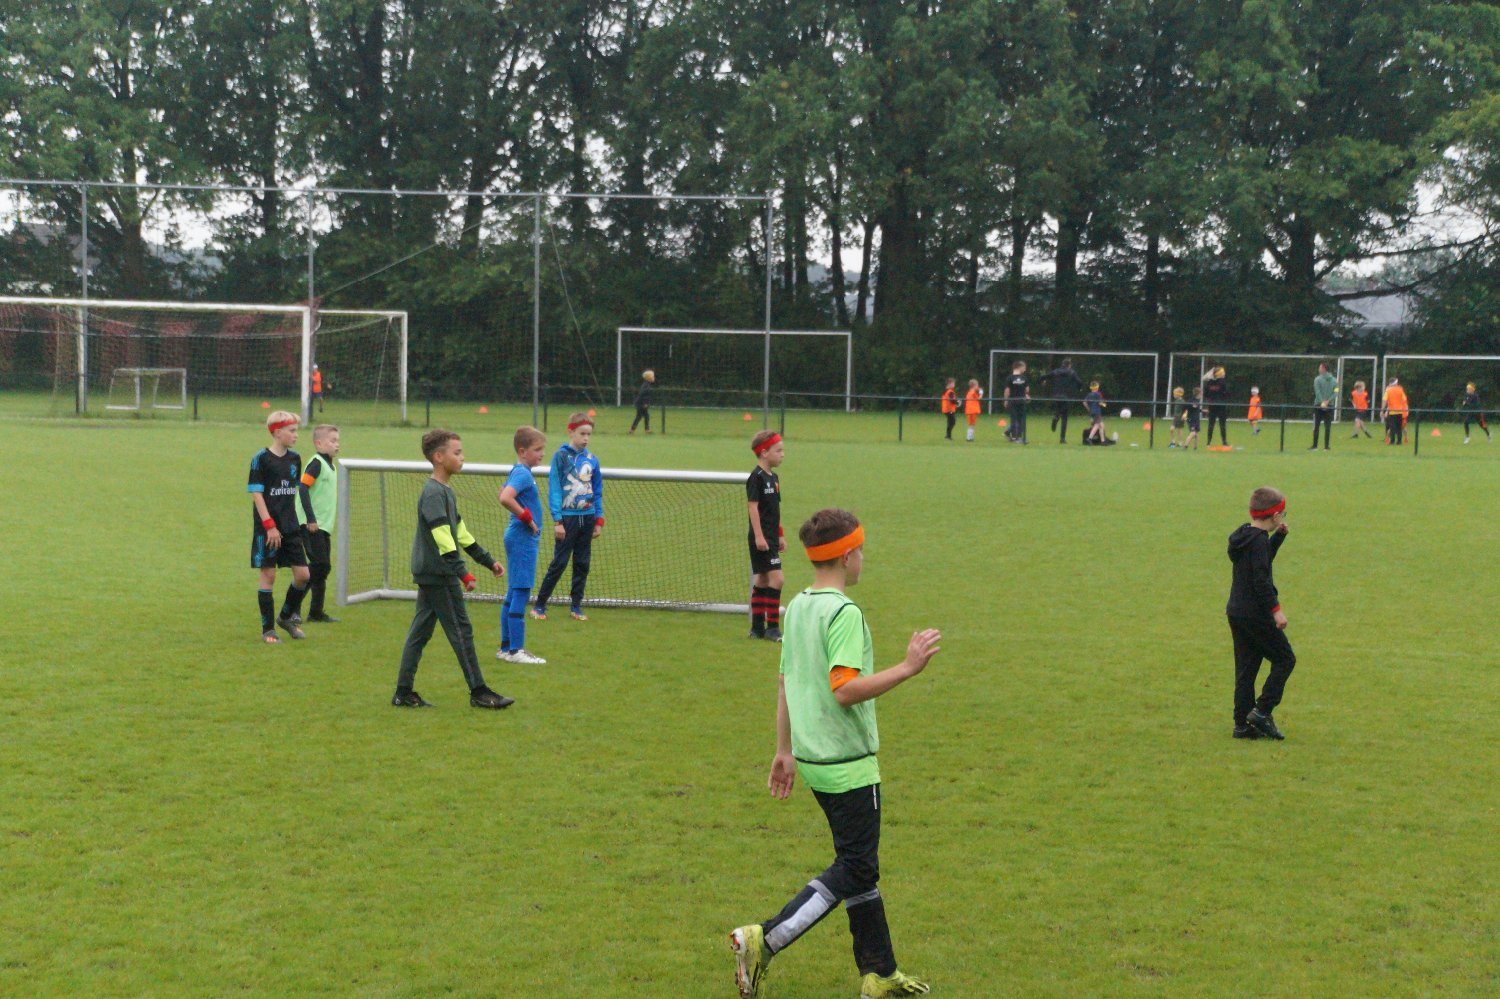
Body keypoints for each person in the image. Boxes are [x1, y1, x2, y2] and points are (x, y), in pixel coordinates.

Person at [728, 508, 940, 999]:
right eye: (860, 551)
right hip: (847, 764)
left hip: (813, 759)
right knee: (856, 867)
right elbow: (844, 690)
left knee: (858, 864)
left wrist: (783, 749)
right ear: (847, 556)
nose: (863, 558)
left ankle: (880, 973)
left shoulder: (799, 606)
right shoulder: (844, 613)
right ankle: (765, 939)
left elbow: (785, 679)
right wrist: (907, 668)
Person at [391, 429, 513, 710]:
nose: (462, 457)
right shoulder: (433, 494)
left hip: (434, 572)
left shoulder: (444, 491)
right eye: (456, 453)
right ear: (438, 457)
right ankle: (479, 692)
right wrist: (463, 573)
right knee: (461, 630)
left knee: (420, 633)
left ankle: (403, 693)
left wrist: (487, 560)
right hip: (439, 573)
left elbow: (460, 533)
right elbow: (443, 538)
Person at [1226, 486, 1295, 741]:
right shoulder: (1258, 542)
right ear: (1275, 516)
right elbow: (1261, 580)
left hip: (1237, 611)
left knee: (1247, 668)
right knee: (1285, 659)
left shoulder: (1245, 536)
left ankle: (1242, 725)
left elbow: (1260, 561)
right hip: (1256, 613)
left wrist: (1278, 538)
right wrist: (1276, 611)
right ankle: (1262, 711)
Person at [248, 410, 315, 644]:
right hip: (267, 528)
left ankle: (285, 617)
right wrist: (269, 526)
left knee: (303, 575)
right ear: (277, 433)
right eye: (292, 430)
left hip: (290, 526)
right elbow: (257, 494)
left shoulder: (295, 458)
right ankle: (268, 629)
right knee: (269, 575)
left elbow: (291, 493)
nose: (296, 435)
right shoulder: (261, 459)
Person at [532, 413, 604, 621]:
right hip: (568, 519)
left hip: (587, 518)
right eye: (582, 433)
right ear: (571, 432)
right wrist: (558, 520)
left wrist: (598, 519)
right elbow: (555, 488)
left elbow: (597, 491)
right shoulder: (561, 456)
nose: (586, 438)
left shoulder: (592, 460)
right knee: (560, 562)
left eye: (589, 434)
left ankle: (576, 606)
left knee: (582, 563)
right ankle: (539, 605)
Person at [497, 426, 548, 665]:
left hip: (517, 537)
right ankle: (516, 650)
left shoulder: (519, 471)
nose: (542, 454)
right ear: (522, 451)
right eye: (537, 449)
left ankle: (506, 648)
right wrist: (528, 518)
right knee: (521, 590)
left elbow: (504, 491)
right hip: (522, 538)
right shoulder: (523, 474)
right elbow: (505, 497)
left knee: (513, 590)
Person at [297, 423, 341, 624]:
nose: (337, 444)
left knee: (322, 568)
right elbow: (303, 488)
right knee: (319, 565)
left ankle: (315, 613)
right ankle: (293, 608)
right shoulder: (316, 463)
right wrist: (310, 519)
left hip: (323, 526)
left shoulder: (331, 466)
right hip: (312, 525)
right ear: (319, 443)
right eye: (332, 441)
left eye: (337, 441)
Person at [747, 430, 786, 641]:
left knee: (762, 579)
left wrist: (780, 535)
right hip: (761, 538)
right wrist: (759, 537)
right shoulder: (756, 478)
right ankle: (772, 628)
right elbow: (753, 508)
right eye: (778, 450)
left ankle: (756, 629)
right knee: (777, 579)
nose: (782, 454)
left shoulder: (774, 478)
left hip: (771, 537)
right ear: (764, 452)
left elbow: (774, 510)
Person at [1047, 358, 1085, 443]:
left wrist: (1042, 381)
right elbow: (1079, 382)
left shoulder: (1056, 371)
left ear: (1062, 364)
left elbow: (1047, 376)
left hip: (1056, 396)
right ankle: (1062, 438)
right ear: (1069, 365)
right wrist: (1079, 388)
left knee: (1058, 410)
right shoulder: (1072, 372)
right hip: (1066, 397)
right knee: (1064, 417)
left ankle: (1056, 417)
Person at [1310, 362, 1336, 451]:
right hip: (1330, 405)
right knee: (1327, 426)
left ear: (1324, 369)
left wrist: (1322, 402)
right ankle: (1326, 447)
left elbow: (1317, 392)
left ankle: (1315, 446)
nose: (1319, 369)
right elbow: (1336, 392)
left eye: (1320, 367)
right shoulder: (1335, 380)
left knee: (1316, 426)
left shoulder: (1317, 379)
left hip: (1318, 404)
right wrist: (1328, 401)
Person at [1003, 360, 1030, 444]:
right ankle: (1017, 437)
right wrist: (1026, 396)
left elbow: (1007, 391)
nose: (1025, 369)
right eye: (1024, 367)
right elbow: (1027, 390)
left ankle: (1016, 437)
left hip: (1013, 400)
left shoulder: (1009, 378)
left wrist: (1006, 400)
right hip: (1020, 400)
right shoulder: (1024, 378)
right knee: (1018, 419)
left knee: (1016, 419)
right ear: (1019, 367)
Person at [1202, 365, 1229, 446]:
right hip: (1221, 405)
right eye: (1222, 372)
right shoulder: (1223, 382)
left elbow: (1205, 394)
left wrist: (1211, 398)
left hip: (1212, 405)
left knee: (1211, 424)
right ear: (1219, 373)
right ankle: (1224, 442)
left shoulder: (1209, 382)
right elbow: (1226, 393)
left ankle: (1208, 442)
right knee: (1222, 424)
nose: (1224, 373)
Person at [1081, 380, 1112, 445]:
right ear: (1097, 387)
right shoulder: (1098, 394)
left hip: (1092, 412)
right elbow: (1100, 403)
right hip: (1097, 411)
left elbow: (1084, 403)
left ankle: (1103, 441)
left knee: (1101, 426)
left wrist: (1089, 409)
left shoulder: (1089, 394)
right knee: (1097, 425)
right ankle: (1089, 438)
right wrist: (1104, 404)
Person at [1381, 377, 1409, 445]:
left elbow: (1384, 400)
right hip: (1400, 411)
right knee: (1399, 427)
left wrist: (1382, 410)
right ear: (1396, 383)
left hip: (1392, 411)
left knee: (1392, 427)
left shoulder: (1388, 390)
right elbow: (1404, 399)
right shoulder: (1400, 390)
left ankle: (1392, 441)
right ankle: (1399, 441)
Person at [629, 369, 656, 434]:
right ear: (649, 378)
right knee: (640, 416)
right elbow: (642, 394)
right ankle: (632, 430)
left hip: (640, 403)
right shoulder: (646, 385)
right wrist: (645, 403)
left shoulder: (646, 384)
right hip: (641, 403)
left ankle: (646, 429)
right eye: (652, 376)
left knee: (645, 416)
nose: (653, 378)